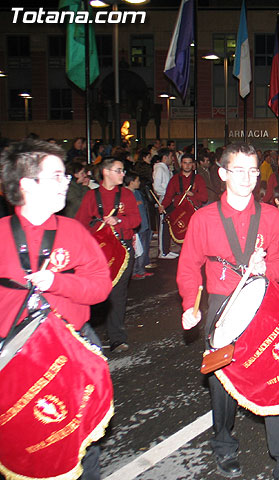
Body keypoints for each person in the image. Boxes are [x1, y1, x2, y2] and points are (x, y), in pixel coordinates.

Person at [177, 143, 279, 480]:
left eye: (253, 170)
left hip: (263, 302)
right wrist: (188, 306)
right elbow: (189, 267)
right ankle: (223, 444)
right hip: (223, 306)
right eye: (238, 170)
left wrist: (265, 270)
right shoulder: (204, 218)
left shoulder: (271, 216)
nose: (248, 178)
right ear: (222, 174)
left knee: (275, 373)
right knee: (222, 385)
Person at [0, 138, 112, 478]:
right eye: (57, 176)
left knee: (82, 444)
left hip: (72, 350)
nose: (67, 182)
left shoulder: (74, 231)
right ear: (27, 184)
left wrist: (58, 283)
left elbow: (100, 287)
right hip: (16, 359)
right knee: (24, 447)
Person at [76, 156, 141, 353]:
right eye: (119, 170)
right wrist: (97, 228)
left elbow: (136, 219)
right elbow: (80, 223)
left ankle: (116, 337)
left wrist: (119, 221)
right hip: (100, 251)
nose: (123, 174)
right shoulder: (91, 196)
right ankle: (87, 332)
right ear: (106, 172)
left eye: (122, 171)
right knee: (95, 292)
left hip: (122, 249)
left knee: (118, 294)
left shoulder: (127, 195)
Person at [125, 172, 153, 280]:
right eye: (137, 181)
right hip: (136, 228)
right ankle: (135, 271)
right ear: (131, 182)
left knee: (144, 248)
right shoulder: (126, 194)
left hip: (144, 225)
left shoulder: (138, 193)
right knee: (137, 250)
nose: (139, 183)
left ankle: (141, 270)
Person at [153, 148, 178, 260]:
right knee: (163, 225)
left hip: (168, 198)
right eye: (171, 156)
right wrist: (168, 193)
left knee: (167, 225)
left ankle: (166, 249)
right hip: (164, 199)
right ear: (165, 157)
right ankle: (163, 251)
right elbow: (157, 187)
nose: (172, 159)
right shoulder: (159, 169)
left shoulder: (166, 169)